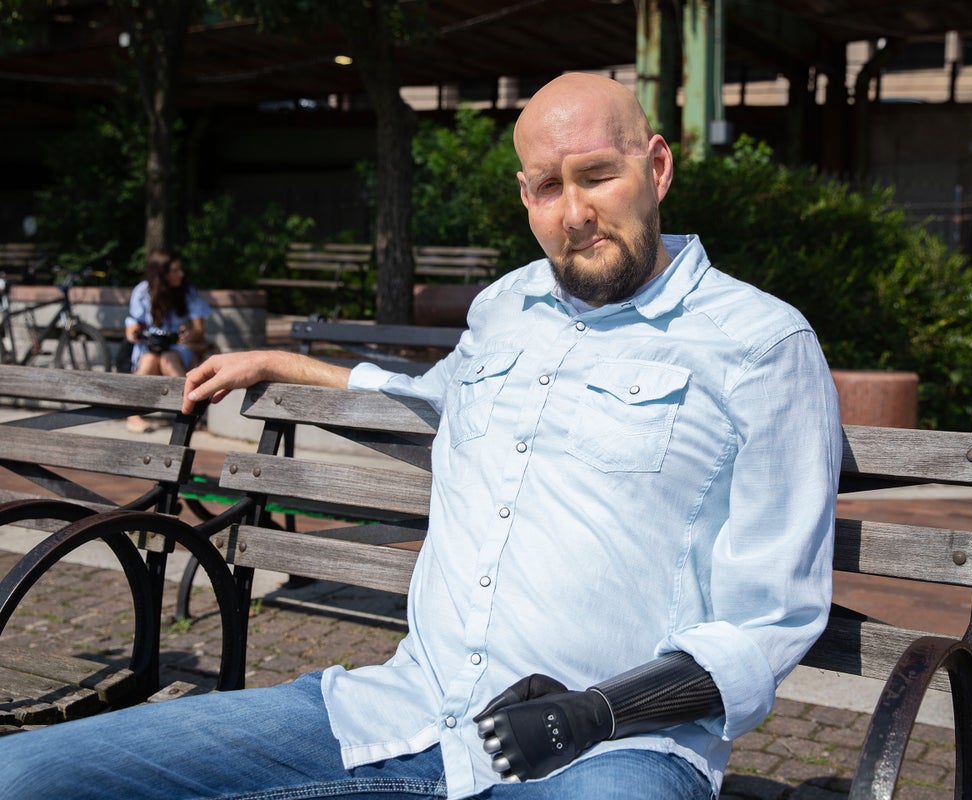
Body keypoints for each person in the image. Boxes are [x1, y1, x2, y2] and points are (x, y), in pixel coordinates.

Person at [0, 73, 841, 800]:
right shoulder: (506, 308)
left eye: (599, 176)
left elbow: (771, 617)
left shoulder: (762, 345)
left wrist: (600, 709)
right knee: (26, 778)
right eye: (548, 187)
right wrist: (284, 363)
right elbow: (431, 396)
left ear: (656, 168)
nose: (576, 213)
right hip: (401, 711)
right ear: (524, 197)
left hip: (613, 754)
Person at [123, 249, 211, 432]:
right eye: (175, 270)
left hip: (179, 348)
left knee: (167, 358)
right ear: (162, 273)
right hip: (149, 348)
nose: (181, 274)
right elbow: (132, 323)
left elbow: (199, 330)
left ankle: (188, 411)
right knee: (150, 359)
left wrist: (188, 334)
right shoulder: (142, 291)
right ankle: (134, 417)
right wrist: (134, 333)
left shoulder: (188, 292)